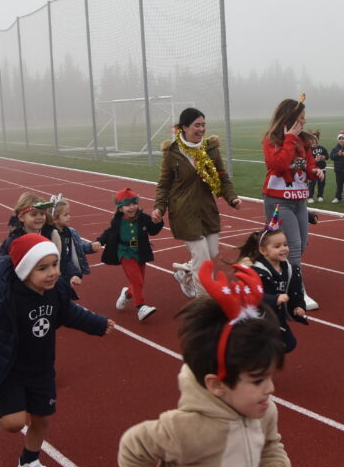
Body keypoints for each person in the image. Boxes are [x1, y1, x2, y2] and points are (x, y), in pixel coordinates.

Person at [118, 262, 291, 467]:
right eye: (258, 380)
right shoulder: (190, 428)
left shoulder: (264, 412)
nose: (270, 389)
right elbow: (133, 446)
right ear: (216, 384)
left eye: (271, 376)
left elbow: (272, 447)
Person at [0, 233, 114, 467]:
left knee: (42, 418)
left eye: (54, 265)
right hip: (11, 371)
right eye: (43, 268)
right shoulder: (1, 297)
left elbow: (69, 313)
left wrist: (97, 323)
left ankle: (29, 461)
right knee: (14, 423)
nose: (52, 273)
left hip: (41, 368)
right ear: (25, 270)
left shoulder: (55, 291)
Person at [153, 107, 241, 298]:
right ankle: (204, 302)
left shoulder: (210, 148)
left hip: (207, 210)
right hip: (184, 211)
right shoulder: (173, 152)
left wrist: (232, 197)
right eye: (196, 125)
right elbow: (164, 184)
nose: (201, 129)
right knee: (203, 261)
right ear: (184, 127)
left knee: (212, 253)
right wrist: (159, 207)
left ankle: (185, 273)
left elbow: (222, 177)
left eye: (203, 125)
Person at [262, 94, 321, 310]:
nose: (305, 121)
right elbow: (278, 164)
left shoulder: (303, 141)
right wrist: (288, 139)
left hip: (299, 200)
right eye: (302, 117)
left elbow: (307, 167)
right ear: (292, 117)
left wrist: (315, 172)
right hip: (278, 201)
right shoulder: (272, 139)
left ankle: (280, 278)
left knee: (301, 244)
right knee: (293, 246)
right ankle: (298, 291)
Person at [239, 210, 307, 353]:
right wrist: (274, 299)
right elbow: (253, 297)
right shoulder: (257, 272)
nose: (284, 249)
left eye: (285, 244)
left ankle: (262, 368)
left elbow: (296, 292)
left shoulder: (290, 269)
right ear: (264, 251)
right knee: (261, 349)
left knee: (289, 344)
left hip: (277, 318)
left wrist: (298, 307)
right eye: (277, 246)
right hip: (258, 319)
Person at [97, 188, 165, 322]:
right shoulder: (117, 221)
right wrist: (99, 241)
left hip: (140, 252)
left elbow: (152, 230)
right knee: (137, 280)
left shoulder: (143, 218)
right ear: (120, 208)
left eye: (134, 203)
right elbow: (109, 232)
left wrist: (158, 222)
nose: (132, 207)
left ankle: (127, 294)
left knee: (138, 282)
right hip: (125, 253)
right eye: (128, 205)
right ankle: (141, 307)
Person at [51, 197, 103, 298]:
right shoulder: (50, 235)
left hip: (67, 273)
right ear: (55, 219)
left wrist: (90, 247)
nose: (69, 217)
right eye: (65, 215)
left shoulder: (70, 232)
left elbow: (78, 247)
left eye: (69, 214)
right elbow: (63, 258)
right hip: (55, 274)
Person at [0, 192, 61, 256]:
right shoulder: (13, 241)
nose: (39, 217)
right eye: (34, 214)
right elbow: (3, 262)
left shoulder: (52, 234)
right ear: (21, 217)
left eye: (42, 214)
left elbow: (60, 260)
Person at [307, 130, 329, 203]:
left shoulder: (322, 148)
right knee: (312, 183)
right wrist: (314, 160)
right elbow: (307, 159)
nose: (314, 140)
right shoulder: (309, 149)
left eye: (315, 139)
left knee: (321, 183)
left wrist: (323, 157)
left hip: (322, 169)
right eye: (312, 139)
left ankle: (320, 196)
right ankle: (310, 197)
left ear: (318, 140)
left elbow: (327, 156)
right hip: (313, 170)